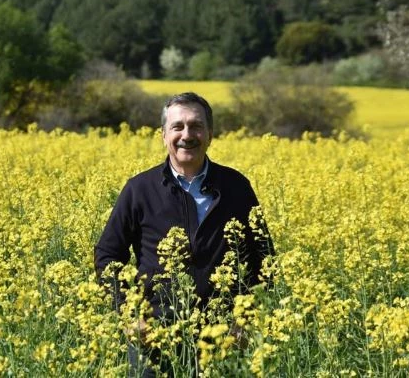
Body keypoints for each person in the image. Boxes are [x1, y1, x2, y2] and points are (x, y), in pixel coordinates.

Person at [94, 92, 274, 376]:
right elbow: (107, 254)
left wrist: (246, 319)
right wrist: (130, 315)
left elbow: (264, 258)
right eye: (177, 127)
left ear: (210, 134)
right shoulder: (139, 189)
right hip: (154, 337)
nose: (186, 135)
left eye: (196, 126)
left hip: (222, 338)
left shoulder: (237, 187)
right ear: (163, 135)